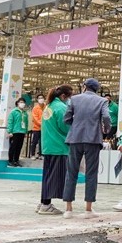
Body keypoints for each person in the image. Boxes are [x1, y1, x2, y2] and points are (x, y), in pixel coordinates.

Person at [63, 78, 111, 218]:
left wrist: (76, 124)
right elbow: (106, 117)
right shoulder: (102, 101)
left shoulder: (74, 99)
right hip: (93, 139)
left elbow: (66, 118)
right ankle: (88, 209)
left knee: (71, 172)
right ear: (97, 89)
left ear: (84, 86)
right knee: (91, 173)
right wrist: (106, 129)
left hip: (75, 138)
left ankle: (68, 209)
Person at [38, 84, 73, 215]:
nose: (69, 100)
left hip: (48, 146)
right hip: (59, 146)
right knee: (54, 178)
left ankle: (43, 202)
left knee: (47, 176)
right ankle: (46, 205)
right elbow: (66, 127)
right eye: (69, 97)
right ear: (63, 96)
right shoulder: (61, 108)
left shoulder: (49, 106)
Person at [6, 97, 29, 167]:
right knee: (13, 147)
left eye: (23, 102)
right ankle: (10, 161)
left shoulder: (25, 113)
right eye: (21, 102)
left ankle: (16, 160)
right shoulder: (13, 112)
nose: (22, 104)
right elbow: (10, 122)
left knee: (19, 147)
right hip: (14, 132)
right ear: (17, 103)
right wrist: (10, 131)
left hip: (22, 132)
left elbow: (26, 123)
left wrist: (26, 132)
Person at [28, 92, 44, 159]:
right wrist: (41, 124)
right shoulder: (35, 108)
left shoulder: (46, 107)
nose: (41, 99)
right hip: (37, 128)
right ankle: (32, 154)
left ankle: (41, 154)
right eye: (39, 98)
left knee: (42, 142)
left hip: (44, 129)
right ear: (37, 99)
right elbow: (35, 118)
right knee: (34, 142)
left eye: (42, 98)